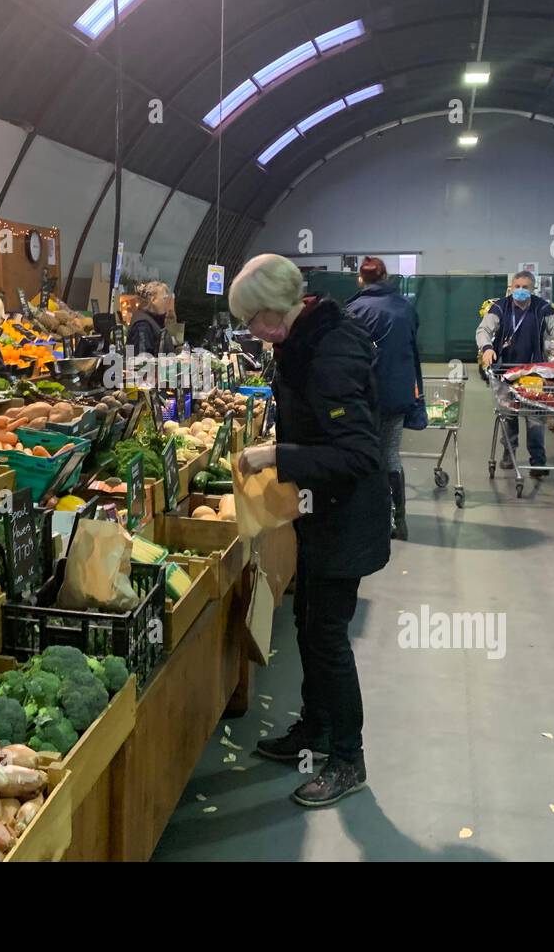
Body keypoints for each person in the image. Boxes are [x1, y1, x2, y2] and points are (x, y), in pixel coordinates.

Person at [230, 254, 389, 808]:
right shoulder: (303, 341)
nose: (250, 332)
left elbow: (359, 454)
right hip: (321, 514)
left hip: (346, 521)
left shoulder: (332, 351)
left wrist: (278, 453)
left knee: (327, 639)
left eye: (250, 321)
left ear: (272, 314)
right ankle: (316, 731)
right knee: (307, 622)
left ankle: (349, 759)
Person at [345, 256, 421, 541]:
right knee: (390, 454)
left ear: (360, 279)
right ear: (386, 277)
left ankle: (367, 518)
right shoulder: (405, 307)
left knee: (363, 454)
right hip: (399, 395)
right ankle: (397, 521)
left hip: (363, 398)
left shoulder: (354, 310)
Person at [476, 270, 554, 469]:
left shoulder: (543, 308)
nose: (520, 291)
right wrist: (486, 348)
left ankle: (537, 460)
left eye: (525, 287)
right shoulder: (499, 308)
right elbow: (483, 330)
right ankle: (508, 453)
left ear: (533, 289)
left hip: (534, 372)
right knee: (509, 414)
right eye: (517, 287)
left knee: (534, 417)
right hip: (505, 370)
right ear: (511, 288)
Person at [126, 280, 175, 356]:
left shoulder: (154, 322)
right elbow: (142, 362)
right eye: (164, 298)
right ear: (153, 300)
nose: (167, 302)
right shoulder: (142, 325)